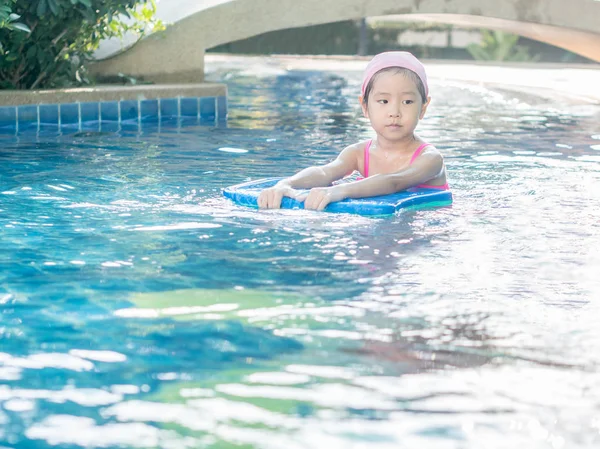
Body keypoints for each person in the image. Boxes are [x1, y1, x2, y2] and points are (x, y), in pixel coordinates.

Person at [257, 51, 449, 211]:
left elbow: (394, 182)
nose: (394, 112)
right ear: (364, 106)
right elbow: (325, 172)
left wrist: (342, 190)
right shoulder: (358, 153)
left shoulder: (430, 159)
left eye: (407, 101)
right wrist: (286, 184)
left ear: (423, 108)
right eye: (383, 101)